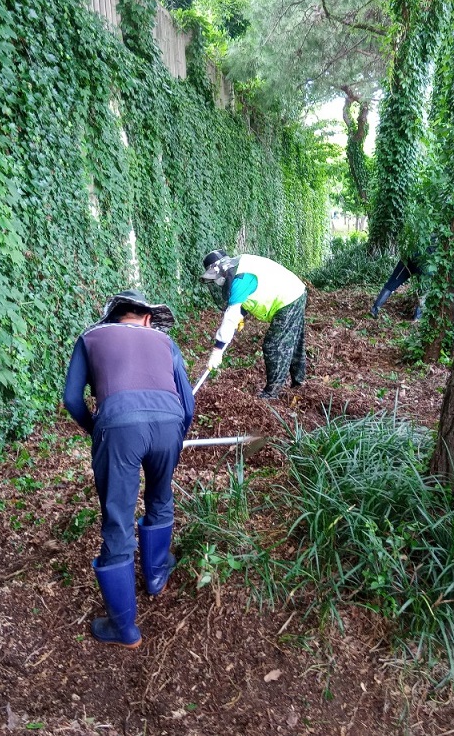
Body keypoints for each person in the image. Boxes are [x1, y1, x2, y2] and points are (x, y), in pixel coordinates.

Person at [62, 290, 194, 649]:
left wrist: (98, 430)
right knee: (160, 498)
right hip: (169, 423)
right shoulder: (164, 341)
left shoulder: (91, 337)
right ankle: (155, 576)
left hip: (117, 427)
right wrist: (174, 437)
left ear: (112, 318)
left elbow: (72, 399)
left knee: (118, 520)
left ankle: (124, 629)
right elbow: (188, 405)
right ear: (148, 318)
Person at [201, 249, 307, 399]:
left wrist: (217, 350)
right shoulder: (238, 267)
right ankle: (299, 383)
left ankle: (272, 393)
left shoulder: (239, 278)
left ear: (221, 271)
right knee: (294, 340)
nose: (216, 283)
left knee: (274, 345)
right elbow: (246, 298)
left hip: (288, 298)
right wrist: (241, 316)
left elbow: (230, 316)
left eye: (215, 278)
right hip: (294, 290)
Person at [370, 247, 432, 319]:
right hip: (424, 263)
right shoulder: (440, 239)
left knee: (391, 284)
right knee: (423, 290)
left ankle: (374, 310)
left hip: (410, 256)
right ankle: (417, 319)